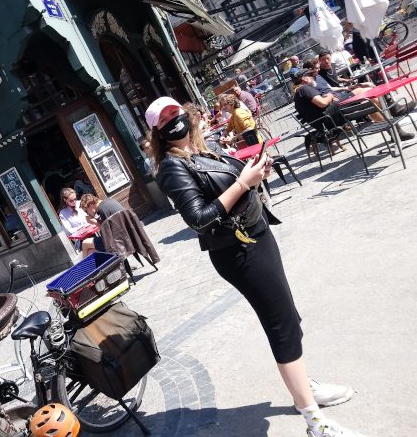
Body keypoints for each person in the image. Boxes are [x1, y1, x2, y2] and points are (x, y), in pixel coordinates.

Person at [144, 96, 365, 437]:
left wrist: (257, 176)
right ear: (157, 130)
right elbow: (199, 220)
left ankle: (304, 387)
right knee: (281, 325)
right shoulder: (172, 167)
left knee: (288, 315)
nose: (174, 119)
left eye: (176, 112)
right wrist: (243, 182)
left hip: (258, 236)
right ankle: (314, 421)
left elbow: (237, 186)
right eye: (165, 118)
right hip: (238, 252)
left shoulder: (204, 149)